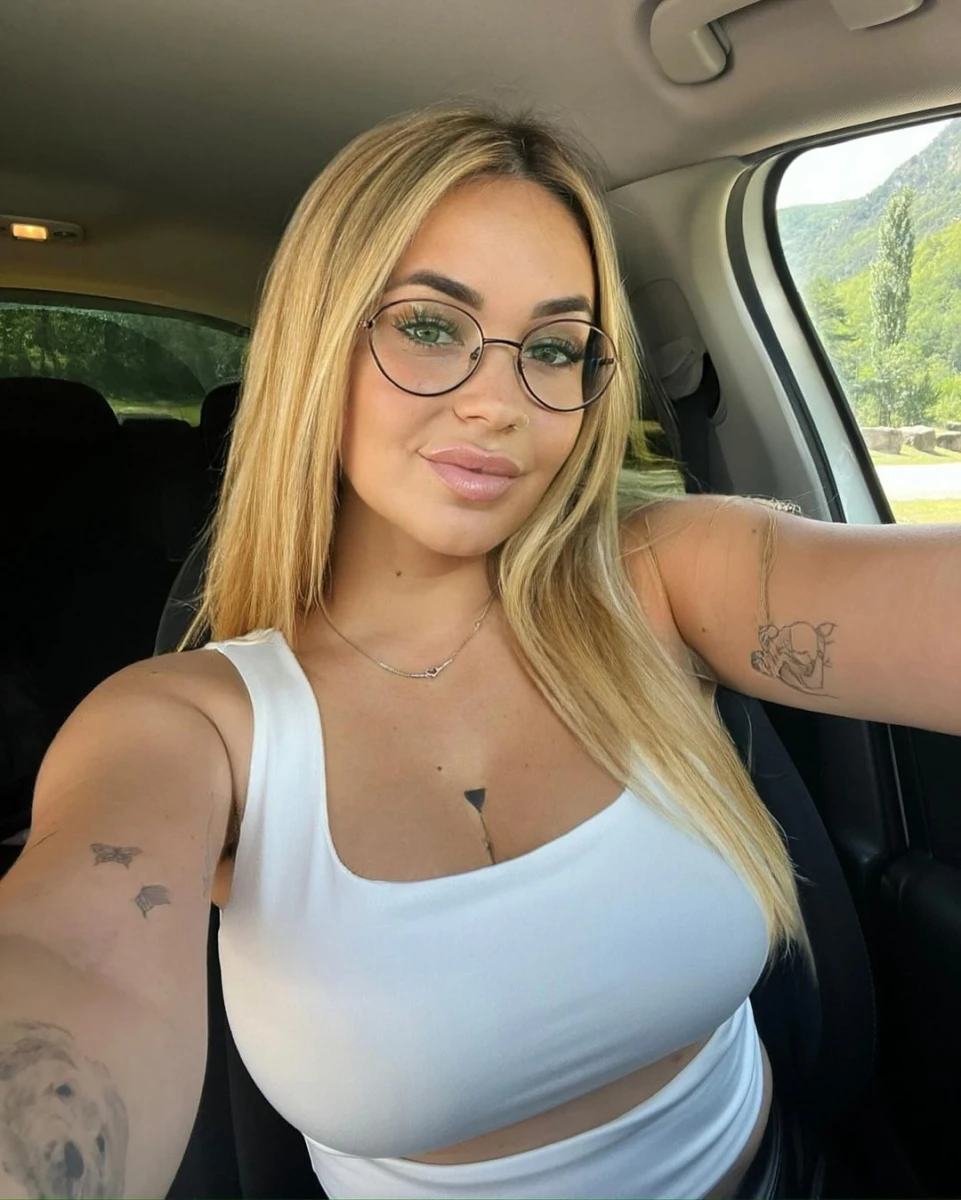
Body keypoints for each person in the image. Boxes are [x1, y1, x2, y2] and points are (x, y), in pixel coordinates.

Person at [0, 104, 958, 1200]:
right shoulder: (188, 727)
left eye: (553, 348)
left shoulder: (667, 578)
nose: (499, 403)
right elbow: (71, 967)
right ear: (318, 346)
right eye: (427, 325)